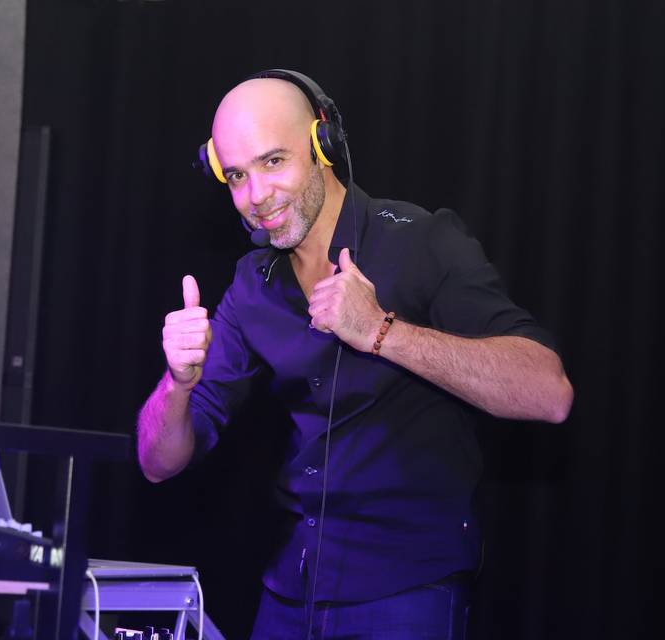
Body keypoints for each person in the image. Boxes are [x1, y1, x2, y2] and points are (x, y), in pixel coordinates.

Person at [136, 71, 573, 639]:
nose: (256, 196)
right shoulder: (252, 285)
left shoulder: (419, 240)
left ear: (323, 144)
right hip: (291, 589)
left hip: (407, 590)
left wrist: (380, 331)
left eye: (273, 162)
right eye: (237, 175)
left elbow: (548, 393)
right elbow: (157, 462)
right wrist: (178, 383)